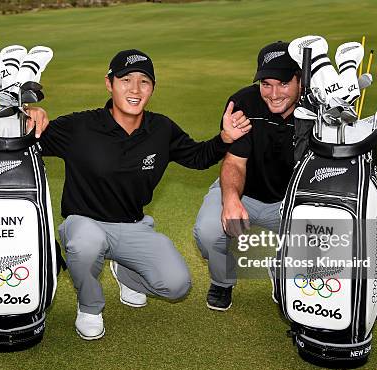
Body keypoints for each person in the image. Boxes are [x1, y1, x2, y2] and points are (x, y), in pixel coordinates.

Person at [27, 49, 251, 340]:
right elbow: (27, 139)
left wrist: (224, 140)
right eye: (126, 79)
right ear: (109, 84)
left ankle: (126, 271)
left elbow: (197, 156)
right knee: (85, 244)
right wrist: (28, 113)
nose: (135, 89)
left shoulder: (161, 129)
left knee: (177, 285)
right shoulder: (79, 127)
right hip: (84, 223)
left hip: (133, 227)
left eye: (144, 82)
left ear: (152, 88)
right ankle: (90, 307)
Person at [192, 41, 301, 311]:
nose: (274, 94)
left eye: (283, 83)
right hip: (245, 193)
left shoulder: (316, 111)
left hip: (291, 203)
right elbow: (235, 163)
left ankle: (283, 271)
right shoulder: (243, 103)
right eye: (266, 84)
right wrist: (231, 199)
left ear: (301, 80)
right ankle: (223, 280)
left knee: (326, 238)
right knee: (208, 232)